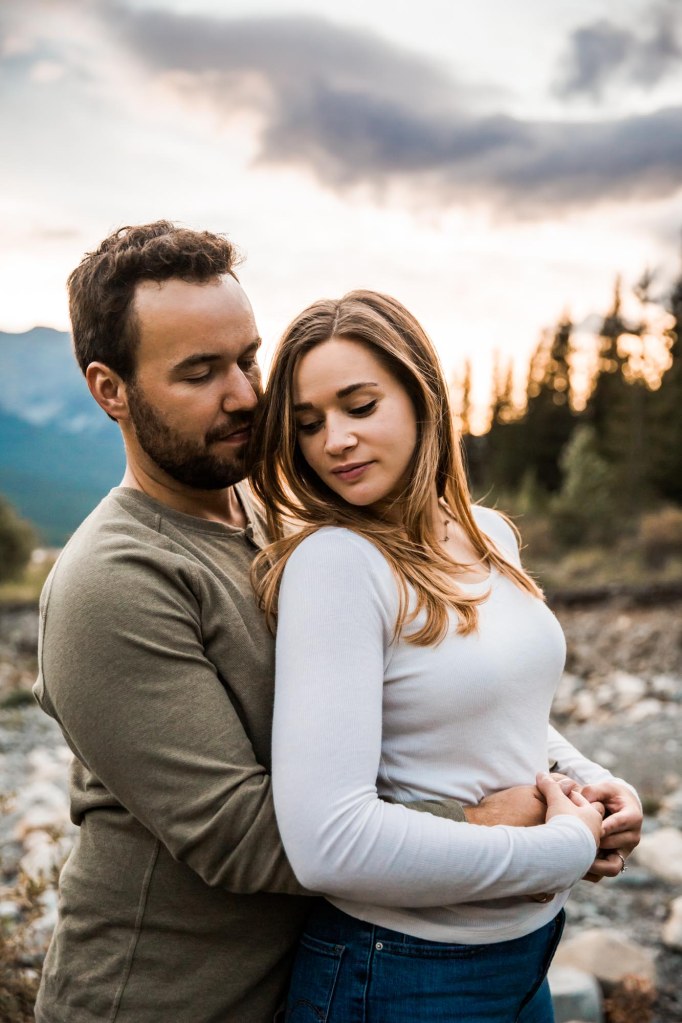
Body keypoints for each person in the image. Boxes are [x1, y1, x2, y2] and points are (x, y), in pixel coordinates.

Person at [33, 222, 563, 1023]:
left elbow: (415, 694)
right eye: (201, 372)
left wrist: (568, 778)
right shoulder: (111, 581)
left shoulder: (276, 513)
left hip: (312, 971)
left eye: (248, 357)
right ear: (111, 389)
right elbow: (238, 833)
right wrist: (481, 819)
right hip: (166, 997)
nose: (246, 394)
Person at [250, 289, 643, 1022]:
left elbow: (493, 708)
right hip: (401, 973)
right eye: (308, 424)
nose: (333, 439)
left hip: (526, 951)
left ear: (423, 397)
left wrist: (595, 784)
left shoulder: (490, 530)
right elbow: (328, 843)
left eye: (359, 406)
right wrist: (560, 850)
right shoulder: (337, 565)